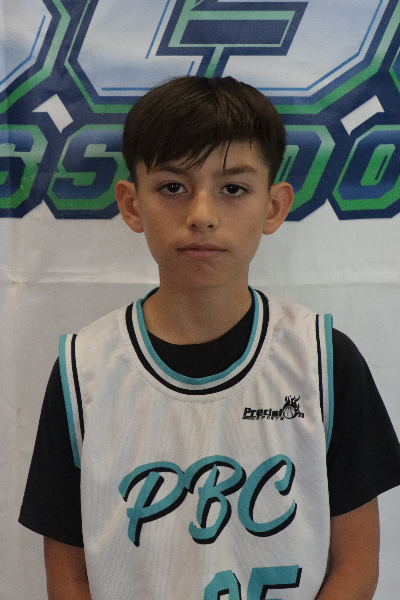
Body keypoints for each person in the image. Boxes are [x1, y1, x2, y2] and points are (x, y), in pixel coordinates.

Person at [19, 76, 400, 600]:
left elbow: (355, 564)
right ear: (131, 204)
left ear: (273, 206)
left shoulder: (323, 361)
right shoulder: (83, 371)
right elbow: (68, 577)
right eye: (172, 187)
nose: (201, 216)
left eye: (233, 189)